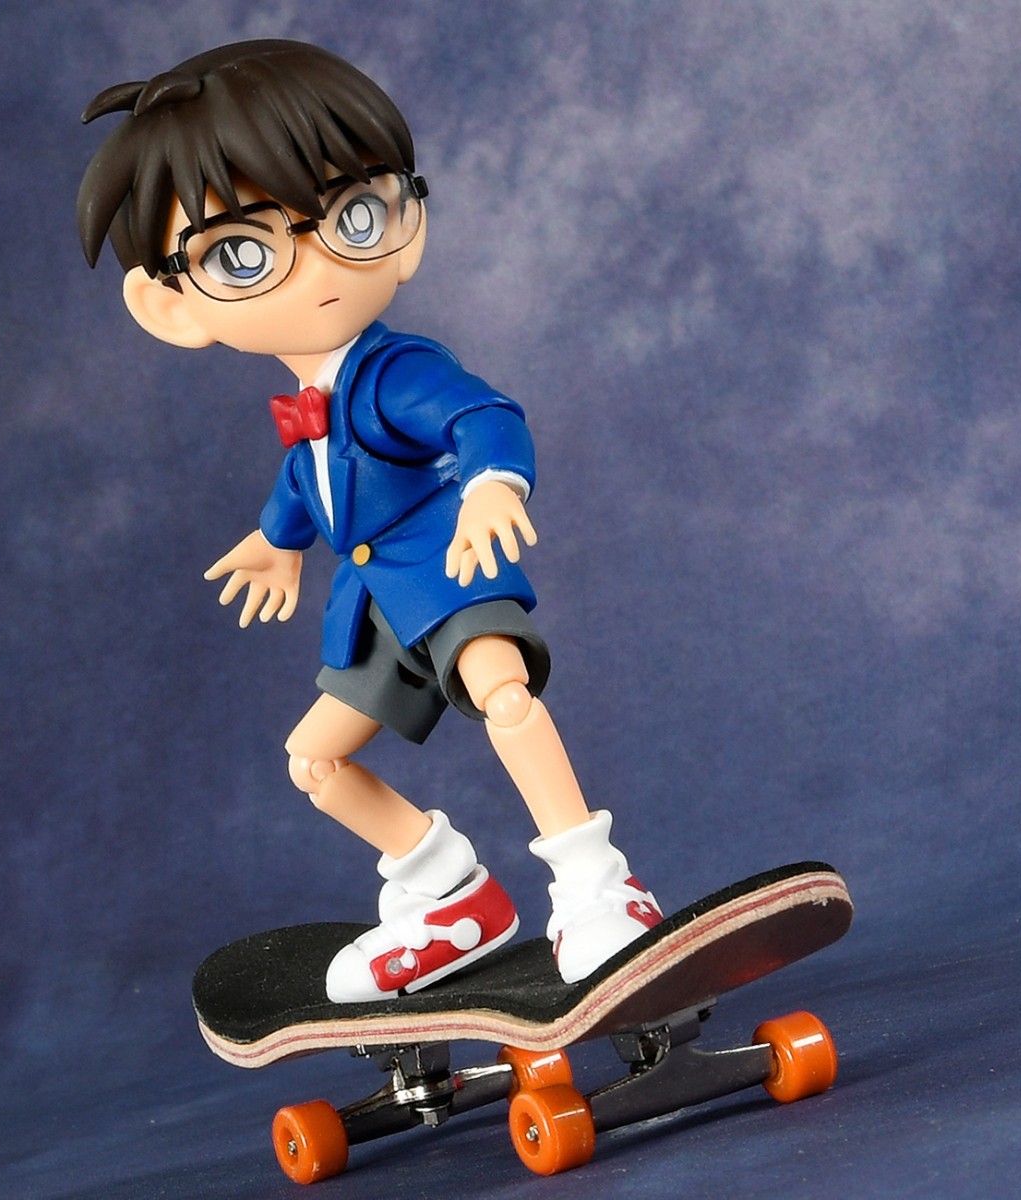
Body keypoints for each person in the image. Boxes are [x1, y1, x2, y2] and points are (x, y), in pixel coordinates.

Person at [77, 39, 660, 1002]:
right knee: (314, 760)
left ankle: (597, 884)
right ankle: (450, 896)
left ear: (407, 222)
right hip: (379, 610)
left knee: (504, 695)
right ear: (173, 307)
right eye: (245, 252)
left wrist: (493, 487)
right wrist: (277, 542)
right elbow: (309, 480)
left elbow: (483, 417)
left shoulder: (397, 371)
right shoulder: (312, 403)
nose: (317, 268)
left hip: (451, 572)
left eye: (352, 215)